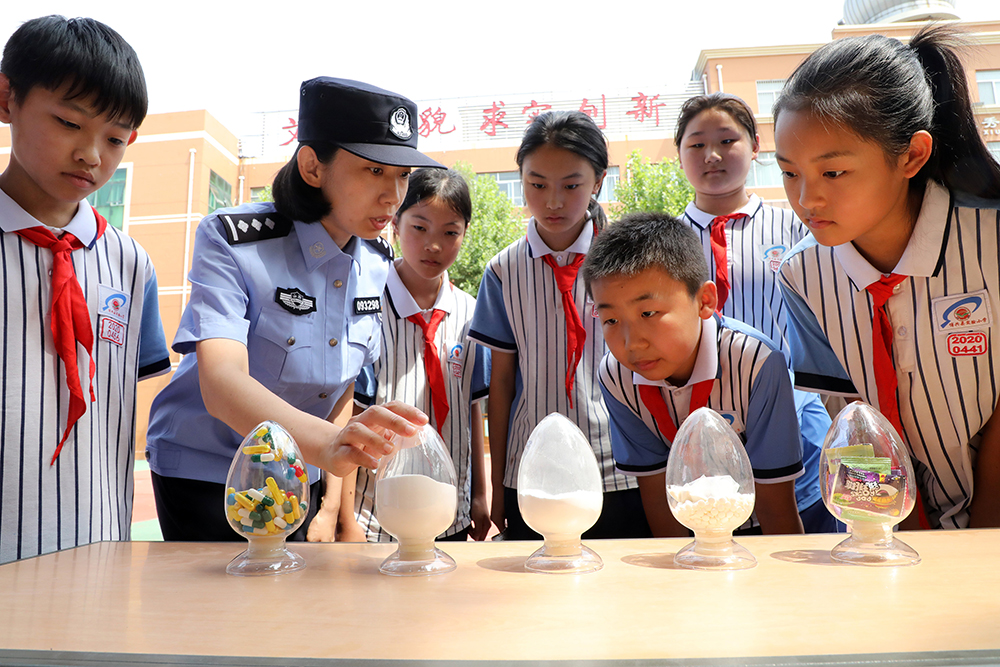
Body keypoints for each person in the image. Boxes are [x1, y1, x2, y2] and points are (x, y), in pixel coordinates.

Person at [145, 77, 436, 542]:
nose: (392, 196)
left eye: (402, 176)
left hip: (298, 469)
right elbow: (221, 384)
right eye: (373, 171)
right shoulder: (233, 240)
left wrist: (333, 469)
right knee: (216, 609)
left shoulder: (376, 263)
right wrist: (328, 445)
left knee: (292, 608)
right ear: (313, 167)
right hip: (208, 469)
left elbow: (341, 388)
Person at [773, 27, 1000, 529]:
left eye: (833, 173)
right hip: (888, 525)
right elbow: (848, 417)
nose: (807, 198)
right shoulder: (801, 274)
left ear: (911, 156)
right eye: (789, 173)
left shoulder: (992, 241)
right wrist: (887, 529)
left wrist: (984, 535)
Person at [0, 16, 170, 563]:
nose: (92, 155)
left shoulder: (131, 263)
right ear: (7, 98)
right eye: (69, 123)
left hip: (96, 540)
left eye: (115, 138)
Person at [468, 111, 649, 540]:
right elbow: (503, 384)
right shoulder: (502, 272)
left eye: (571, 186)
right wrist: (496, 487)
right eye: (537, 185)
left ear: (598, 181)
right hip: (532, 473)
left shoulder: (632, 263)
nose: (553, 201)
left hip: (621, 468)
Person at [583, 213, 806, 536]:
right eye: (611, 321)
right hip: (696, 515)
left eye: (648, 313)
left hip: (777, 511)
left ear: (705, 301)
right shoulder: (616, 377)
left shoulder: (756, 363)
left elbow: (776, 505)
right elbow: (659, 495)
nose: (632, 343)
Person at [673, 93, 837, 532]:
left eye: (727, 140)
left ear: (756, 145)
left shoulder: (797, 229)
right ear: (679, 153)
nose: (712, 155)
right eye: (696, 144)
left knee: (805, 542)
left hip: (797, 416)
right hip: (700, 422)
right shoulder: (665, 246)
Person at [333, 168, 491, 543]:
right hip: (376, 517)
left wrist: (482, 497)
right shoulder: (365, 308)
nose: (433, 245)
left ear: (465, 234)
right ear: (395, 224)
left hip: (450, 513)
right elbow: (352, 413)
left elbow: (473, 409)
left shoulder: (472, 315)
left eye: (450, 232)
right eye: (419, 228)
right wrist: (344, 519)